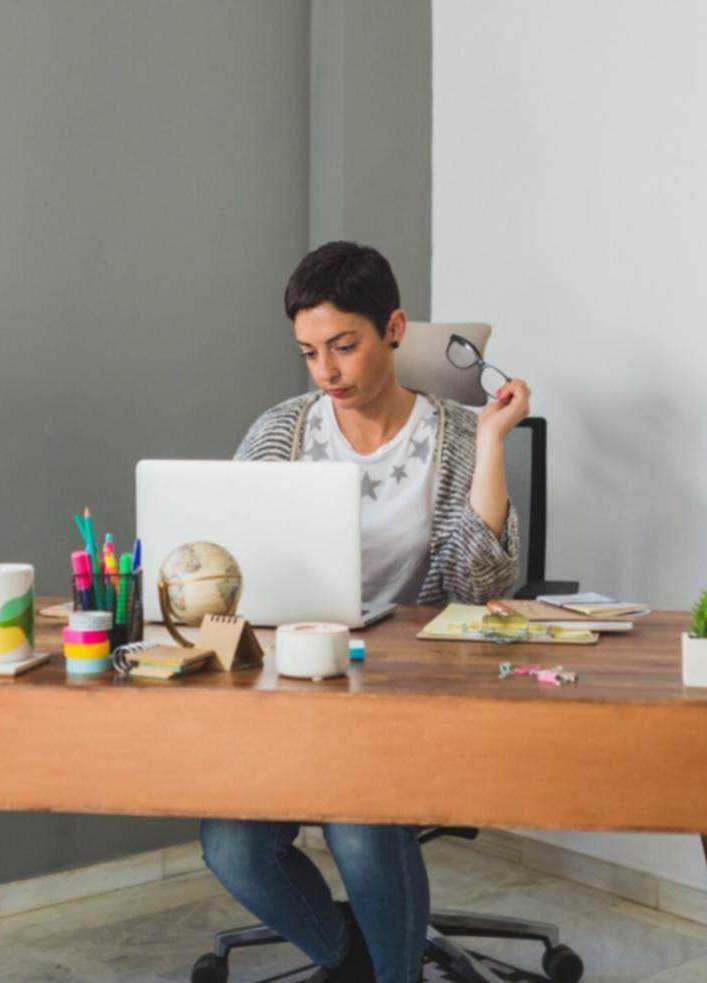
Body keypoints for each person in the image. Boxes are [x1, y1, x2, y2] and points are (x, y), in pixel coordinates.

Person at [200, 241, 532, 983]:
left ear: (394, 328)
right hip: (293, 689)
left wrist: (490, 444)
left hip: (403, 695)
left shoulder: (450, 436)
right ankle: (351, 959)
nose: (326, 371)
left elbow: (480, 584)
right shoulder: (280, 433)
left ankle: (396, 973)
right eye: (309, 351)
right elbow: (231, 568)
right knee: (231, 843)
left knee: (358, 819)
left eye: (344, 346)